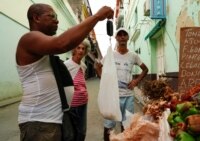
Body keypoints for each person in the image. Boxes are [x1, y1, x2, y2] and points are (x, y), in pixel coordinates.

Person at [15, 3, 113, 141]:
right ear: (36, 18)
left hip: (53, 121)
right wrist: (96, 17)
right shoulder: (28, 39)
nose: (57, 20)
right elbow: (62, 43)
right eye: (52, 16)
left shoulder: (44, 50)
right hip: (39, 123)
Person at [95, 27, 149, 141]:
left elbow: (145, 69)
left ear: (128, 38)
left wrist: (136, 81)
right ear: (116, 38)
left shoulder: (133, 55)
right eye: (120, 35)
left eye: (125, 35)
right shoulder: (111, 54)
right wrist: (105, 82)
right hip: (112, 97)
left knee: (127, 126)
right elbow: (98, 67)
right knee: (108, 127)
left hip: (128, 96)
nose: (122, 37)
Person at [64, 39, 90, 141]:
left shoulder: (83, 66)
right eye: (78, 48)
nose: (80, 50)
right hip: (71, 105)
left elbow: (82, 83)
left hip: (83, 103)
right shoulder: (66, 65)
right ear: (73, 50)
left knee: (82, 131)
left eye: (83, 48)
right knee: (70, 134)